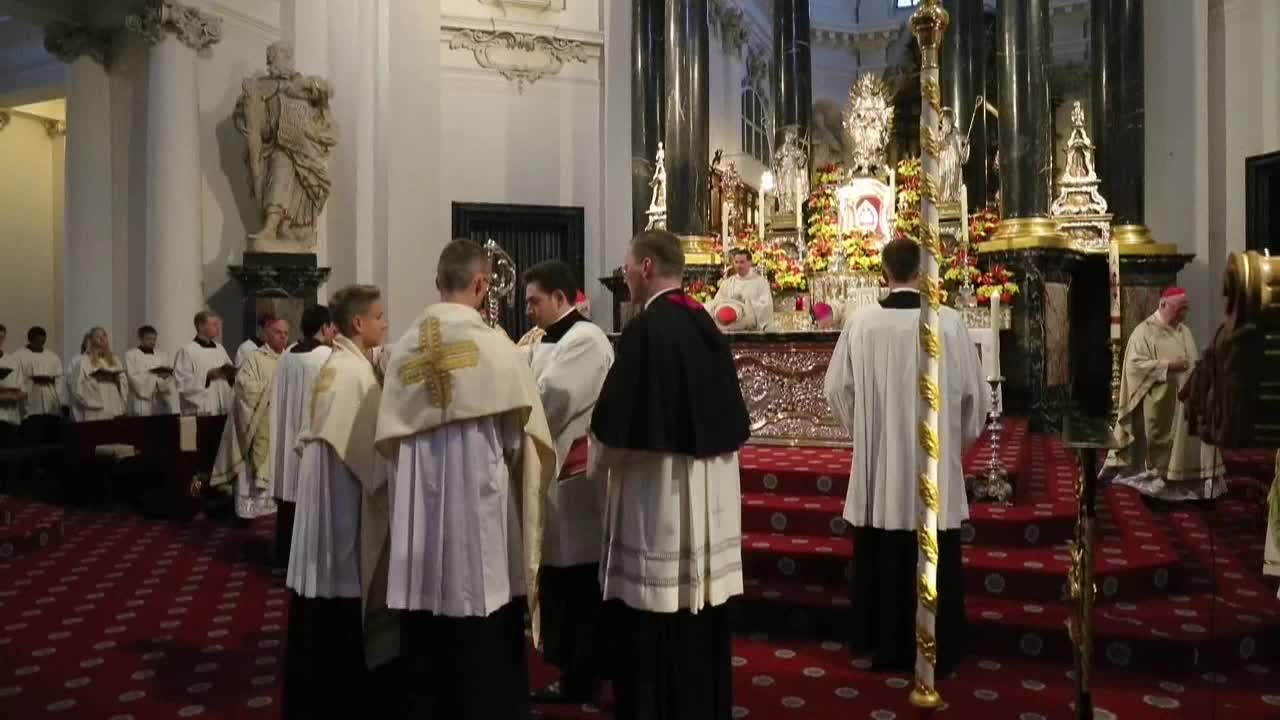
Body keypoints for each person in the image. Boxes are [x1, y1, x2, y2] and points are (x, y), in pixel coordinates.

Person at [376, 238, 555, 719]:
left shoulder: (405, 347)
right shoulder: (495, 346)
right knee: (481, 605)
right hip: (477, 510)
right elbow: (519, 441)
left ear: (438, 283)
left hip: (418, 515)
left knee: (423, 612)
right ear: (481, 285)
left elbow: (391, 440)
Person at [590, 229, 750, 720]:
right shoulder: (705, 320)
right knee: (698, 612)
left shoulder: (646, 327)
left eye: (626, 267)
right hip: (710, 491)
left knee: (656, 610)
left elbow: (614, 427)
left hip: (658, 493)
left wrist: (598, 467)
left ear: (645, 268)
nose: (624, 276)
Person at [823, 237, 988, 676]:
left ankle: (884, 643)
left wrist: (866, 433)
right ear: (922, 271)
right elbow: (976, 398)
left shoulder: (861, 323)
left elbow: (836, 388)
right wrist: (956, 445)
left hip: (880, 471)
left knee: (884, 552)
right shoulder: (948, 323)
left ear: (884, 272)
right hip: (934, 467)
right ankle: (941, 645)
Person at [285, 286, 397, 718]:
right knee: (344, 582)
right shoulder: (352, 374)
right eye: (380, 316)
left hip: (327, 490)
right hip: (340, 499)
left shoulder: (342, 364)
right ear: (358, 323)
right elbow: (371, 457)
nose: (385, 323)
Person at [520, 260, 615, 704]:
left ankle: (585, 674)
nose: (529, 311)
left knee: (577, 578)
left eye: (535, 301)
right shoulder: (541, 340)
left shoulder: (587, 340)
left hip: (574, 478)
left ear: (561, 298)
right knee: (557, 575)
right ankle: (569, 668)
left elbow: (551, 399)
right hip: (551, 475)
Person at [1103, 287, 1226, 503]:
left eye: (1185, 310)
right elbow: (1134, 367)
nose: (1183, 315)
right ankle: (1164, 477)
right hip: (1161, 402)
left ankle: (1196, 478)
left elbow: (1192, 363)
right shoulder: (1144, 332)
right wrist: (1169, 366)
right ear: (1163, 305)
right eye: (1180, 310)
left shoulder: (1183, 331)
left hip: (1189, 399)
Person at [270, 305, 336, 568]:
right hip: (311, 441)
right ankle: (310, 562)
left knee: (290, 500)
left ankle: (283, 558)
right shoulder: (326, 357)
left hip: (287, 439)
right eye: (332, 327)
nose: (334, 332)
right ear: (323, 327)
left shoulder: (287, 355)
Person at [210, 314, 289, 520]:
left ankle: (272, 502)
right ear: (267, 335)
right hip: (258, 420)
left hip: (281, 422)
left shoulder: (289, 359)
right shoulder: (254, 358)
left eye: (286, 333)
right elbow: (243, 386)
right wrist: (269, 392)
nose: (283, 337)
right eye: (278, 332)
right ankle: (249, 507)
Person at [174, 311, 236, 416]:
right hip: (201, 411)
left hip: (223, 409)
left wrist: (231, 374)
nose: (218, 328)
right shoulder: (187, 350)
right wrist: (207, 376)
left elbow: (230, 376)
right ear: (201, 326)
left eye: (218, 325)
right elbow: (182, 382)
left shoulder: (220, 348)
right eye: (214, 324)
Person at [11, 326, 64, 442]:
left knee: (51, 441)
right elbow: (15, 378)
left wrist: (52, 382)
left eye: (43, 342)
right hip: (30, 406)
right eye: (37, 342)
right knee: (32, 440)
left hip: (50, 406)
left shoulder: (52, 357)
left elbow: (59, 379)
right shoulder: (18, 356)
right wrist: (30, 379)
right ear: (30, 340)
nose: (40, 344)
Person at [705, 248, 774, 332]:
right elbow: (717, 302)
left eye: (742, 262)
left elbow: (766, 306)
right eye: (736, 262)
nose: (738, 266)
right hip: (727, 328)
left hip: (750, 330)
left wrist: (746, 302)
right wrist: (729, 303)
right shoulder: (727, 283)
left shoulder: (761, 283)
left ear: (750, 263)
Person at [69, 327, 128, 422]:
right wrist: (95, 380)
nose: (101, 338)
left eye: (104, 335)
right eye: (97, 336)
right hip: (96, 409)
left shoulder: (115, 360)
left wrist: (116, 380)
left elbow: (124, 382)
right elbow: (77, 386)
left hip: (114, 405)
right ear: (91, 340)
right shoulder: (84, 361)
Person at [123, 326, 179, 416]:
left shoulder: (162, 355)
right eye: (149, 339)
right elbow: (132, 376)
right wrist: (154, 379)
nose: (152, 342)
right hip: (142, 399)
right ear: (141, 338)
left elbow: (168, 375)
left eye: (154, 339)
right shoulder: (131, 355)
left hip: (160, 398)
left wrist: (164, 377)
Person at [0, 333, 23, 448]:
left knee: (10, 455)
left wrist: (16, 395)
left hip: (9, 417)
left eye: (1, 337)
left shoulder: (12, 361)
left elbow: (21, 389)